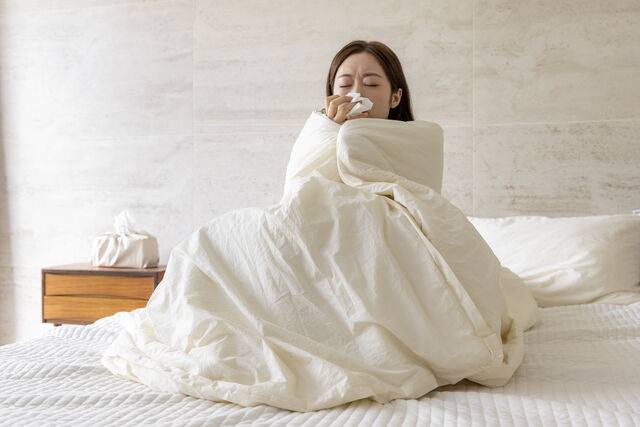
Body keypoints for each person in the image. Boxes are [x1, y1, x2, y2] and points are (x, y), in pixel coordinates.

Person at [320, 40, 414, 124]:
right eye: (344, 84)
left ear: (395, 98)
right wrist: (330, 130)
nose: (357, 93)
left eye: (371, 84)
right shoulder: (315, 134)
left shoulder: (417, 137)